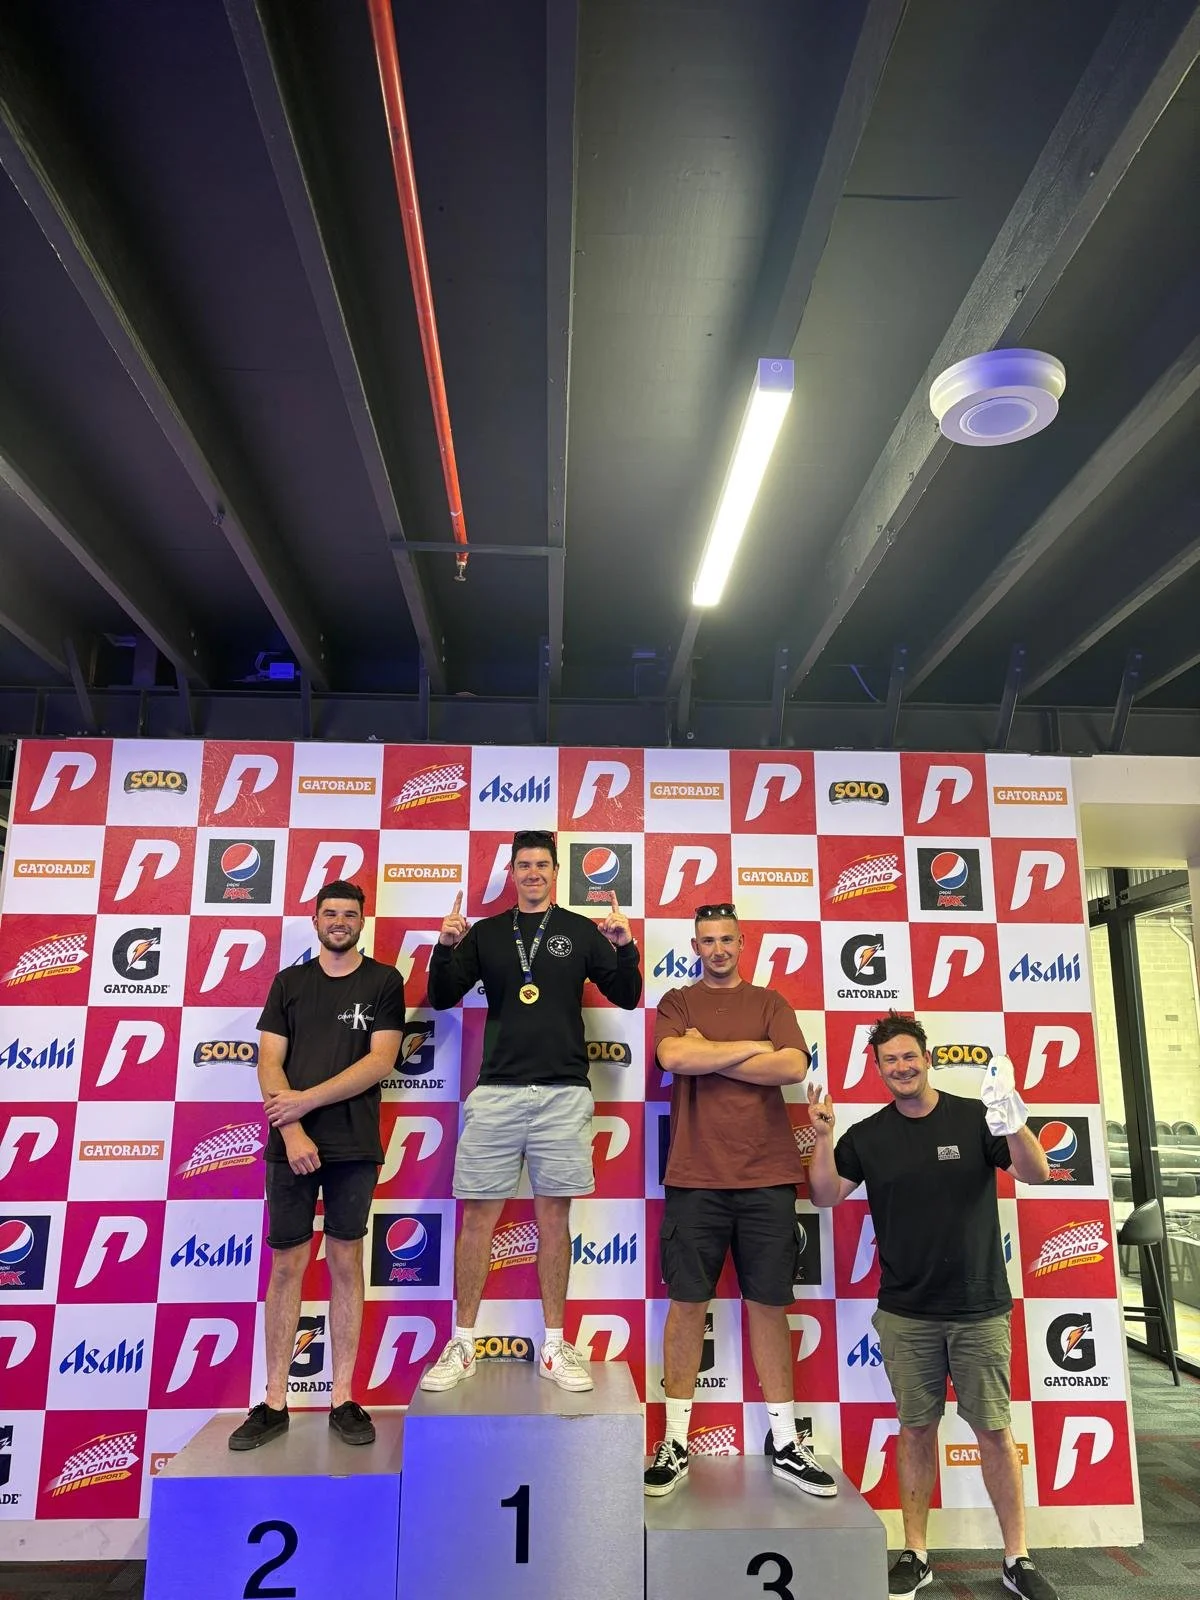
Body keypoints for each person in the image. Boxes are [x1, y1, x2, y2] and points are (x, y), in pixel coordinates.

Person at [806, 1011, 1058, 1600]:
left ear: (927, 1057)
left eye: (909, 1056)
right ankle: (915, 1554)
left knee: (994, 1432)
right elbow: (822, 1194)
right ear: (877, 1069)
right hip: (906, 1312)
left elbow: (1037, 1172)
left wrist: (1015, 1122)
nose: (901, 1067)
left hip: (979, 1308)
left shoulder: (977, 1117)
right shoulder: (866, 1135)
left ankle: (1016, 1559)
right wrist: (820, 1136)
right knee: (916, 1430)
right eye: (889, 1060)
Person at [420, 829, 642, 1393]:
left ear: (555, 872)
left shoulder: (580, 930)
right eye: (524, 865)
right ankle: (463, 1343)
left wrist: (624, 947)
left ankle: (554, 1344)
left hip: (564, 1093)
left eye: (543, 864)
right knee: (476, 1222)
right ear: (511, 873)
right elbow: (444, 996)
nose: (534, 873)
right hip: (496, 1092)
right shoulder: (490, 933)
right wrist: (444, 949)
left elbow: (627, 995)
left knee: (554, 1222)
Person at [644, 902, 836, 1499]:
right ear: (694, 946)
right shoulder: (676, 1002)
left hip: (766, 1177)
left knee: (768, 1306)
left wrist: (715, 1049)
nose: (718, 948)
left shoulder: (772, 1001)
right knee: (686, 1306)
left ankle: (784, 1440)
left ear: (741, 942)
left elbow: (791, 1068)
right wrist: (750, 1049)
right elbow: (674, 1058)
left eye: (727, 939)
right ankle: (674, 1440)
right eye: (708, 940)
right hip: (696, 1178)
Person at [228, 880, 406, 1450]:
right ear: (315, 919)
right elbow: (269, 1061)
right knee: (287, 1267)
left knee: (347, 1262)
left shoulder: (384, 981)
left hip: (353, 1145)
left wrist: (304, 1102)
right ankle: (274, 1402)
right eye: (330, 913)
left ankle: (343, 1399)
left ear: (362, 921)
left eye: (349, 914)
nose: (339, 922)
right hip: (291, 1144)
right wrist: (295, 1125)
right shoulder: (290, 983)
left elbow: (380, 1061)